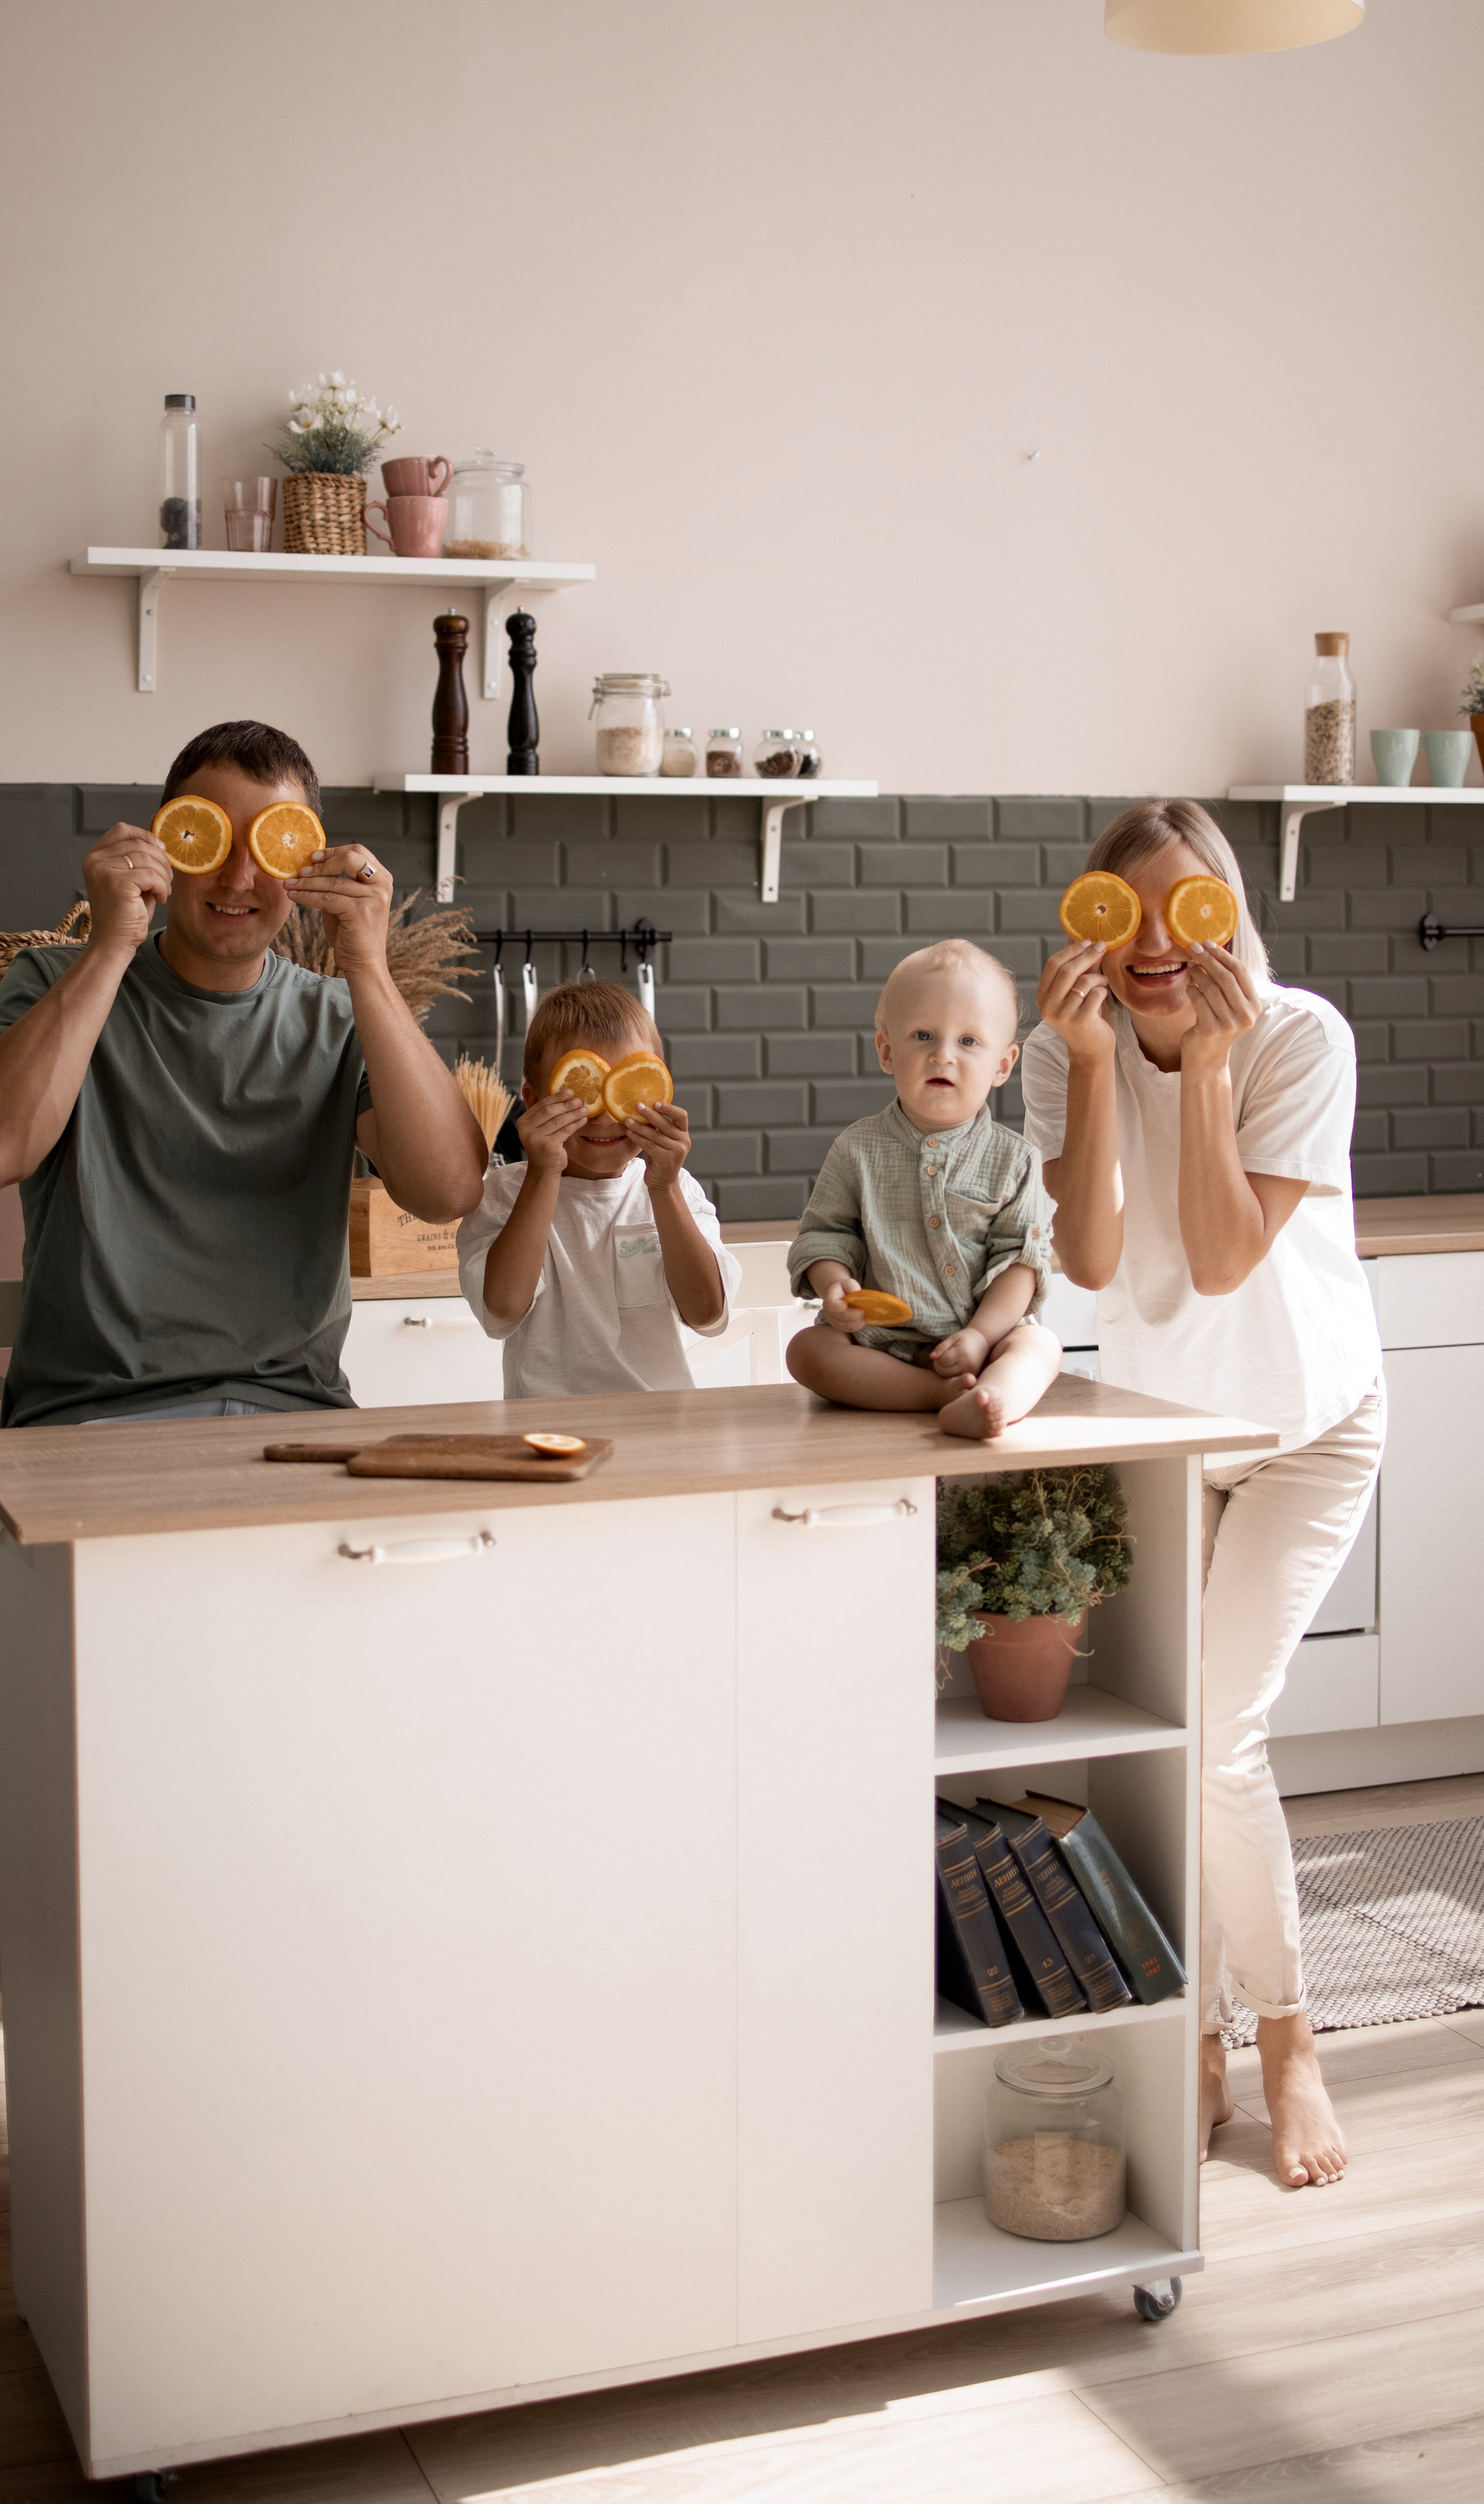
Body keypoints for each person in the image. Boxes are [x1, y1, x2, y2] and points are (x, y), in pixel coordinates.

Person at [1024, 797, 1383, 2191]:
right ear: (1092, 923)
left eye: (1194, 912)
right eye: (1132, 915)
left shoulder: (1298, 1035)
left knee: (1220, 1735)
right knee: (1167, 1742)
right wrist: (1097, 1065)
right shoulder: (1076, 1047)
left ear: (1231, 914)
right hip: (1179, 1432)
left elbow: (1227, 1259)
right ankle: (1198, 2032)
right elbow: (1098, 1259)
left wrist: (1214, 1065)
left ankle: (1287, 2038)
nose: (1162, 944)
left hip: (1307, 1425)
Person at [0, 719, 485, 1426]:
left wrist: (368, 969)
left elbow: (447, 1192)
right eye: (210, 839)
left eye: (268, 845)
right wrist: (110, 948)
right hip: (92, 1418)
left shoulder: (340, 1016)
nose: (238, 878)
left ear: (305, 865)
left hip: (295, 1415)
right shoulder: (53, 980)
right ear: (164, 847)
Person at [785, 941, 1061, 1438]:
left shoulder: (1017, 1159)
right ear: (888, 1051)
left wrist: (979, 1337)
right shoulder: (857, 1149)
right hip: (880, 1347)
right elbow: (824, 1236)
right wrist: (834, 1287)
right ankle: (937, 1395)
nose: (943, 1055)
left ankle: (992, 1396)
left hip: (987, 1339)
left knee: (1041, 1349)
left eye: (969, 1042)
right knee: (807, 1352)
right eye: (924, 1036)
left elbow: (1021, 1264)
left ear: (1003, 1065)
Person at [455, 979, 741, 1397]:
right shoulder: (504, 1194)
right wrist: (543, 1173)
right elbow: (501, 1312)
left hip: (659, 1428)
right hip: (546, 1433)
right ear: (533, 1102)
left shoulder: (676, 1190)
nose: (605, 1118)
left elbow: (707, 1315)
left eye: (625, 1090)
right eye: (581, 1092)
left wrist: (663, 1189)